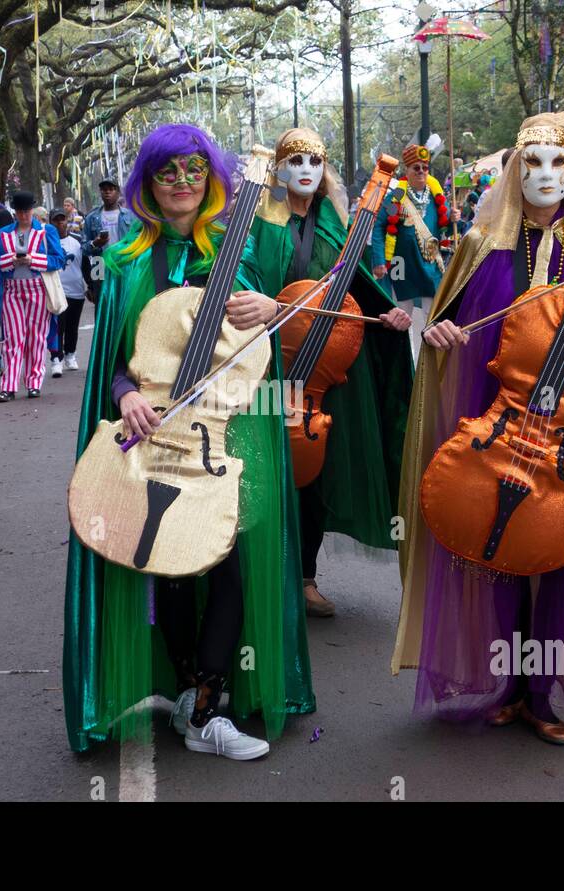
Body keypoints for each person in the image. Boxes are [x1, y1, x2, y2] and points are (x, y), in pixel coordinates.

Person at [392, 113, 564, 744]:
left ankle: (544, 695)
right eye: (534, 162)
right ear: (517, 169)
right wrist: (438, 334)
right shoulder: (479, 246)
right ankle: (510, 685)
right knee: (498, 554)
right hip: (500, 420)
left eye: (559, 163)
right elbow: (450, 323)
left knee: (562, 551)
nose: (546, 175)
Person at [63, 123, 314, 759]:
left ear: (212, 182)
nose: (181, 183)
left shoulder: (238, 251)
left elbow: (264, 346)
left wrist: (267, 310)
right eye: (167, 172)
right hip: (151, 432)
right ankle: (187, 693)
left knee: (225, 560)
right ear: (147, 183)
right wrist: (124, 395)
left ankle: (206, 709)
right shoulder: (123, 264)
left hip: (223, 436)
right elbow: (118, 361)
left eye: (194, 172)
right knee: (166, 565)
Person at [247, 127, 414, 618]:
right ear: (278, 168)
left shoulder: (336, 225)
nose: (304, 169)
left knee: (314, 472)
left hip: (323, 370)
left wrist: (389, 315)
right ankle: (264, 576)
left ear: (324, 172)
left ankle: (305, 578)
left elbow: (356, 286)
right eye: (294, 160)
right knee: (266, 468)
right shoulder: (260, 221)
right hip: (269, 362)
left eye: (314, 162)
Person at [0, 191, 64, 401]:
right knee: (12, 338)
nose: (23, 215)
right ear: (15, 212)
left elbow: (58, 259)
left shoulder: (47, 231)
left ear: (32, 210)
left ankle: (34, 383)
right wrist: (10, 260)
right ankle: (9, 386)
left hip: (38, 288)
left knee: (37, 337)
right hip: (12, 290)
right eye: (20, 211)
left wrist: (33, 260)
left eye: (26, 211)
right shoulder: (3, 234)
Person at [370, 143, 457, 310]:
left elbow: (446, 225)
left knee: (431, 317)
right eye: (416, 167)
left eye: (425, 167)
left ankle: (426, 338)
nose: (421, 171)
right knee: (401, 315)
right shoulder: (395, 196)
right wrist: (379, 260)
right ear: (406, 171)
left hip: (429, 263)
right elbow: (380, 227)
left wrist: (455, 219)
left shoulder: (437, 197)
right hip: (401, 264)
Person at [81, 178, 138, 299]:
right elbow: (84, 249)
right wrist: (95, 243)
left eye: (111, 189)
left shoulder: (130, 216)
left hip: (123, 262)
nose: (107, 192)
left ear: (118, 192)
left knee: (124, 301)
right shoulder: (91, 217)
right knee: (101, 302)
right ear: (100, 193)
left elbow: (138, 242)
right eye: (104, 190)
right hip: (99, 264)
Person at [50, 209, 87, 371]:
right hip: (56, 291)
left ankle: (70, 354)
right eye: (56, 220)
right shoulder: (46, 241)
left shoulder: (78, 240)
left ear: (67, 221)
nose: (60, 223)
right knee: (57, 327)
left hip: (76, 290)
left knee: (72, 326)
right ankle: (56, 359)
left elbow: (86, 263)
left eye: (62, 220)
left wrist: (91, 285)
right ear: (51, 223)